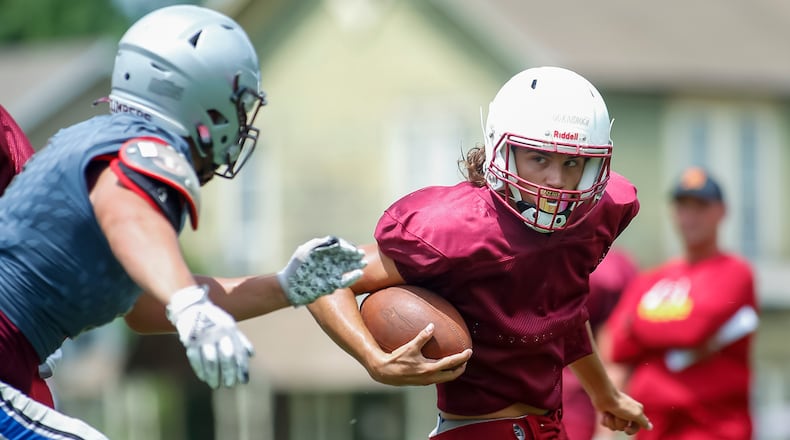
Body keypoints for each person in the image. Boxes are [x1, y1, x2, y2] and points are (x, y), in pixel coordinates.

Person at [0, 5, 365, 439]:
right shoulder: (151, 153)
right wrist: (191, 308)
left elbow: (144, 306)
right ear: (200, 99)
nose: (242, 121)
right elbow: (126, 211)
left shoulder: (103, 139)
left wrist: (284, 286)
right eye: (238, 103)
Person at [305, 66, 653, 439]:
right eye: (539, 159)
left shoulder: (593, 216)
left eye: (572, 162)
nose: (557, 180)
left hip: (551, 427)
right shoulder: (460, 228)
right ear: (502, 149)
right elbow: (318, 273)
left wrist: (605, 394)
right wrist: (373, 359)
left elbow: (563, 313)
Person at [605, 166, 757, 440]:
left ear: (722, 211)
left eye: (701, 206)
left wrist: (635, 326)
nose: (690, 216)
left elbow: (693, 330)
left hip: (713, 428)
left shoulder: (734, 271)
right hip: (653, 428)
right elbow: (616, 345)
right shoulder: (649, 279)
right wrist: (664, 333)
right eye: (683, 206)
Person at [561, 248, 639, 440]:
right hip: (539, 406)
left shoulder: (612, 270)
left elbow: (614, 352)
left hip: (579, 407)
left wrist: (604, 431)